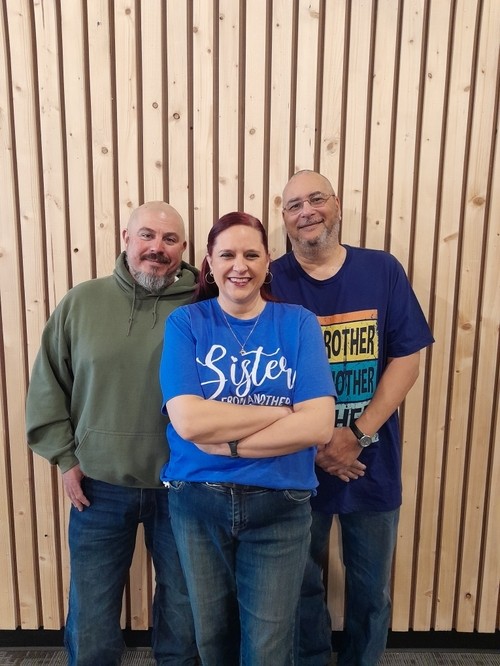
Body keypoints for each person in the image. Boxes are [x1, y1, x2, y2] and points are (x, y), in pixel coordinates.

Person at [271, 170, 435, 666]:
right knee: (299, 588)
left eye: (316, 199)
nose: (306, 212)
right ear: (283, 218)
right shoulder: (271, 279)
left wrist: (356, 435)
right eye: (294, 205)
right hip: (296, 465)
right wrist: (316, 445)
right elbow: (256, 376)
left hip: (371, 462)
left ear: (336, 204)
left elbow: (407, 359)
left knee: (370, 590)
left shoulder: (382, 270)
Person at [158, 211, 336, 666]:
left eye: (251, 255)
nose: (240, 266)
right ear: (210, 262)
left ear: (268, 261)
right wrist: (280, 413)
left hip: (281, 504)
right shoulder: (186, 323)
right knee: (212, 638)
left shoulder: (298, 323)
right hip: (198, 501)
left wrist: (229, 441)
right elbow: (189, 422)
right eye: (228, 255)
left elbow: (318, 425)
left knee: (268, 647)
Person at [25, 202, 199, 666]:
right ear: (125, 238)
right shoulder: (81, 303)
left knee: (184, 611)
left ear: (183, 248)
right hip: (97, 487)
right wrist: (65, 459)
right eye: (147, 235)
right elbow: (48, 385)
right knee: (92, 612)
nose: (157, 248)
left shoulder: (205, 306)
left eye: (169, 239)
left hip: (182, 485)